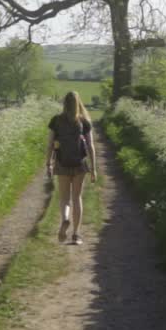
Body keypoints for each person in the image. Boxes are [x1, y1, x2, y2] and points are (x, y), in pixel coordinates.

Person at [45, 91, 98, 244]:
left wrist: (49, 163)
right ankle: (76, 235)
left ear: (64, 103)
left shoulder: (56, 121)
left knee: (64, 198)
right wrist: (93, 168)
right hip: (79, 164)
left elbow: (50, 145)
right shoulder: (84, 122)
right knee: (77, 197)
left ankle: (65, 218)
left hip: (62, 163)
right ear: (78, 103)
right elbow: (90, 146)